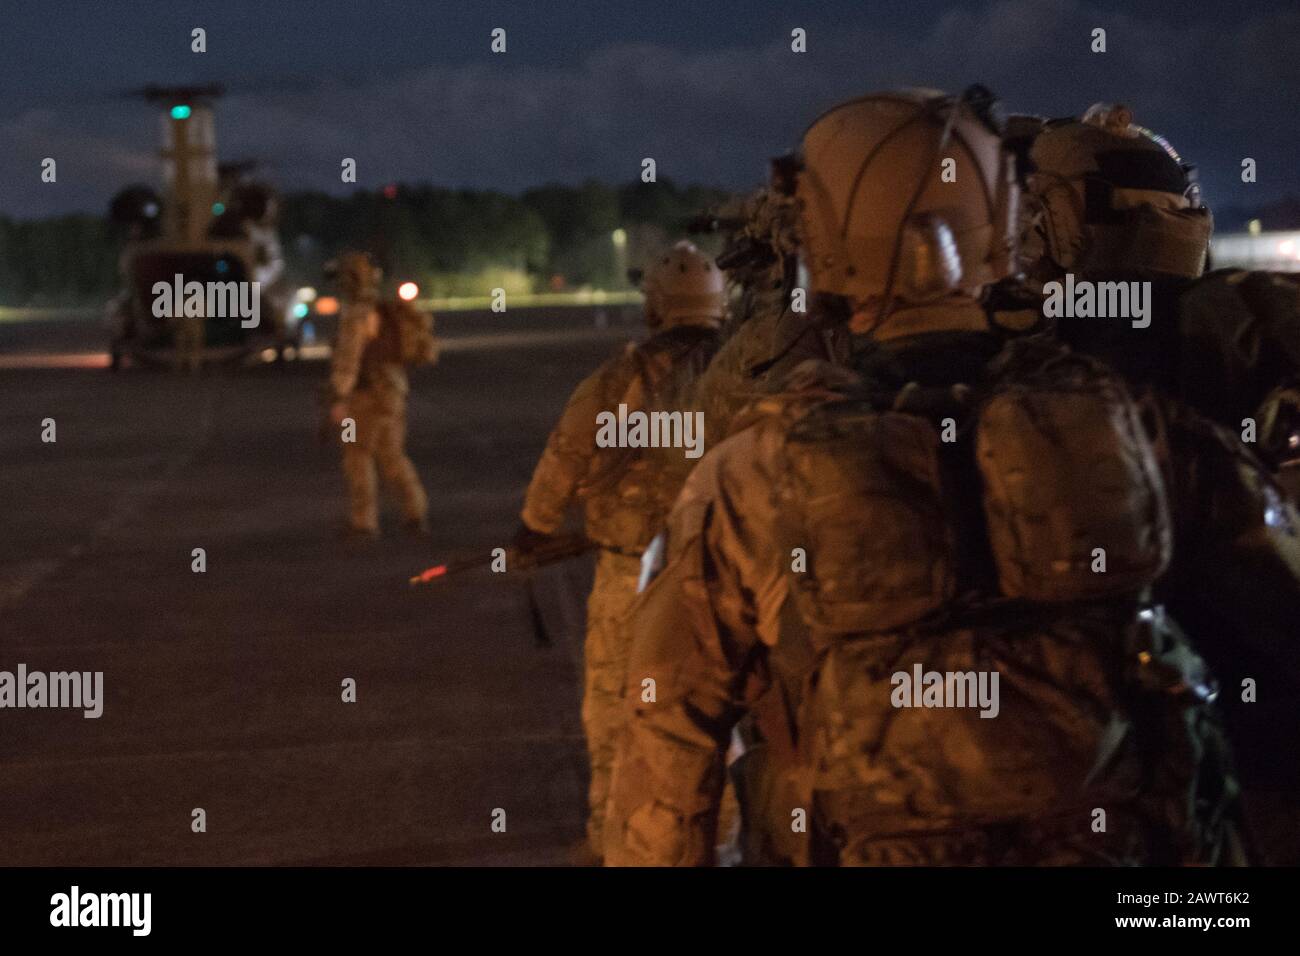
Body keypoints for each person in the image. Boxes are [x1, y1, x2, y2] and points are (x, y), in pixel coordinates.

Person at [604, 88, 1277, 867]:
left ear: (820, 237)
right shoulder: (1136, 427)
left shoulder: (752, 474)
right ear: (1005, 226)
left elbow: (667, 746)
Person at [515, 240, 726, 863]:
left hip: (629, 573)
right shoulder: (742, 378)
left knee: (612, 709)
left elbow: (564, 457)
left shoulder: (615, 381)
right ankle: (724, 838)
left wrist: (533, 528)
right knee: (714, 712)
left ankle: (612, 837)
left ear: (656, 307)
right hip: (717, 575)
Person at [326, 251, 433, 539]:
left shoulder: (356, 314)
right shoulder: (384, 309)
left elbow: (349, 359)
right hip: (393, 393)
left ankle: (364, 522)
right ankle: (415, 512)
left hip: (366, 396)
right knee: (392, 455)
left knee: (357, 454)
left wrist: (338, 398)